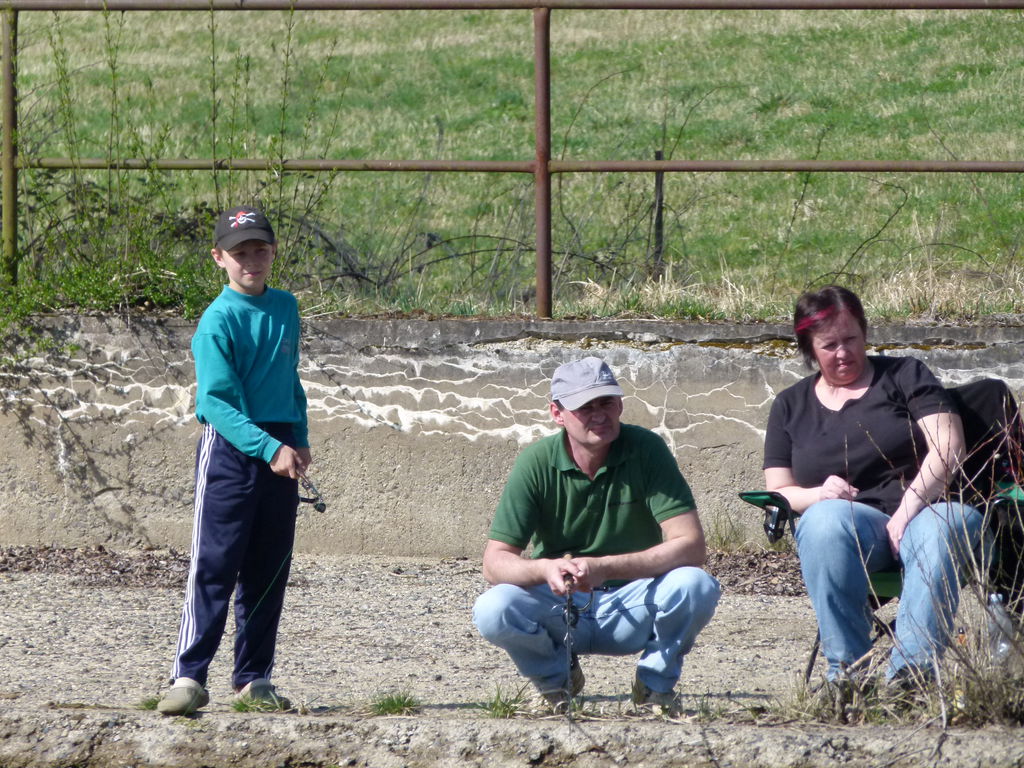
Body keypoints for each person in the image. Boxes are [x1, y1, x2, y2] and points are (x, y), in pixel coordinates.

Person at [763, 285, 986, 687]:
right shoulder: (790, 405)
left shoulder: (904, 375)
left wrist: (906, 511)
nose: (843, 352)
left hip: (927, 511)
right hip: (855, 528)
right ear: (809, 348)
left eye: (851, 339)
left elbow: (949, 447)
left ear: (865, 333)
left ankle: (912, 675)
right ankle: (848, 676)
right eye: (829, 345)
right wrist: (818, 495)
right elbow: (779, 490)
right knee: (823, 520)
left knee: (946, 524)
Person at [473, 357, 721, 714]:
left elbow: (691, 546)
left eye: (606, 403)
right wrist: (545, 569)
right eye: (585, 407)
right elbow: (494, 562)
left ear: (620, 405)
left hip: (631, 600)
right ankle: (555, 682)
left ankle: (655, 688)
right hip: (562, 604)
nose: (600, 415)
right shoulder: (535, 462)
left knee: (696, 585)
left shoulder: (647, 449)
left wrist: (605, 567)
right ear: (557, 414)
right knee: (493, 608)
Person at [157, 205, 311, 716]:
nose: (251, 260)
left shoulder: (286, 307)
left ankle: (253, 679)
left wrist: (298, 437)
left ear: (273, 252)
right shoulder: (217, 321)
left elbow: (290, 378)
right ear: (219, 257)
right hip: (231, 449)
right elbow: (216, 404)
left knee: (269, 569)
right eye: (240, 252)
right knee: (215, 566)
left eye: (260, 249)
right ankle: (188, 676)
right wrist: (269, 448)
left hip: (281, 443)